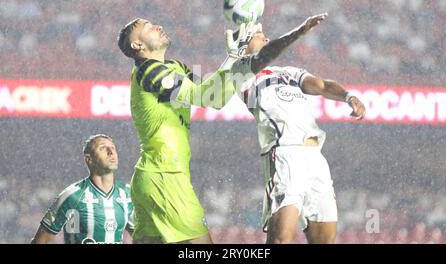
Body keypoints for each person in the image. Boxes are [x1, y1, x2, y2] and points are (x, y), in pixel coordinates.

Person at [116, 15, 326, 244]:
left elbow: (215, 96)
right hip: (165, 177)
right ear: (137, 45)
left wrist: (234, 58)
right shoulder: (149, 71)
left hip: (153, 178)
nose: (157, 26)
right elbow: (205, 96)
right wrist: (236, 58)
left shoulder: (174, 67)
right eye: (147, 27)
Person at [230, 21, 366, 244]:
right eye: (258, 36)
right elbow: (267, 53)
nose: (265, 38)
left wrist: (348, 96)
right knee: (280, 240)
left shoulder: (289, 72)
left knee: (324, 241)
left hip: (315, 158)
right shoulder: (239, 74)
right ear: (243, 45)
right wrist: (299, 32)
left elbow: (322, 85)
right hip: (285, 155)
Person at [31, 134, 134, 244]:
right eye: (103, 148)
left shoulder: (128, 194)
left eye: (113, 148)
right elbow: (40, 240)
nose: (111, 152)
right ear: (89, 159)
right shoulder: (72, 196)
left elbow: (141, 236)